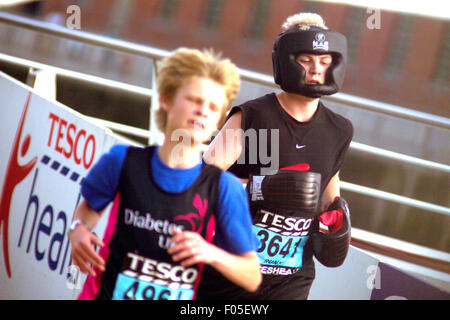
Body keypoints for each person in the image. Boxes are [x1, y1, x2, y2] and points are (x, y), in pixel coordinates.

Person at [68, 47, 262, 300]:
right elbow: (86, 214)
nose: (203, 110)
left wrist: (210, 253)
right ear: (166, 99)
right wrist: (77, 231)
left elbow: (252, 275)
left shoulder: (224, 187)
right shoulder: (122, 161)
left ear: (217, 122)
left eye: (213, 107)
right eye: (194, 100)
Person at [199, 12, 354, 300]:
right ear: (287, 60)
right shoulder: (253, 115)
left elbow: (328, 200)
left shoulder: (339, 130)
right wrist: (260, 189)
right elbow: (201, 181)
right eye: (306, 60)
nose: (316, 69)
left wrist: (334, 225)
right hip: (231, 268)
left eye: (324, 61)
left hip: (291, 278)